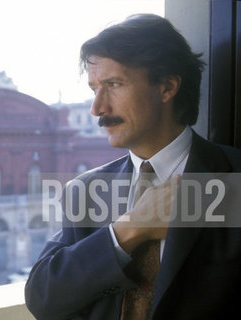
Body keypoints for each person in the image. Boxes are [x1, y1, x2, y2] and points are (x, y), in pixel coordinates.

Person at [25, 14, 241, 320]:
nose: (98, 108)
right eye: (94, 89)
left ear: (167, 87)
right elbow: (43, 297)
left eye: (113, 84)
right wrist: (130, 227)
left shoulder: (235, 178)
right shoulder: (84, 191)